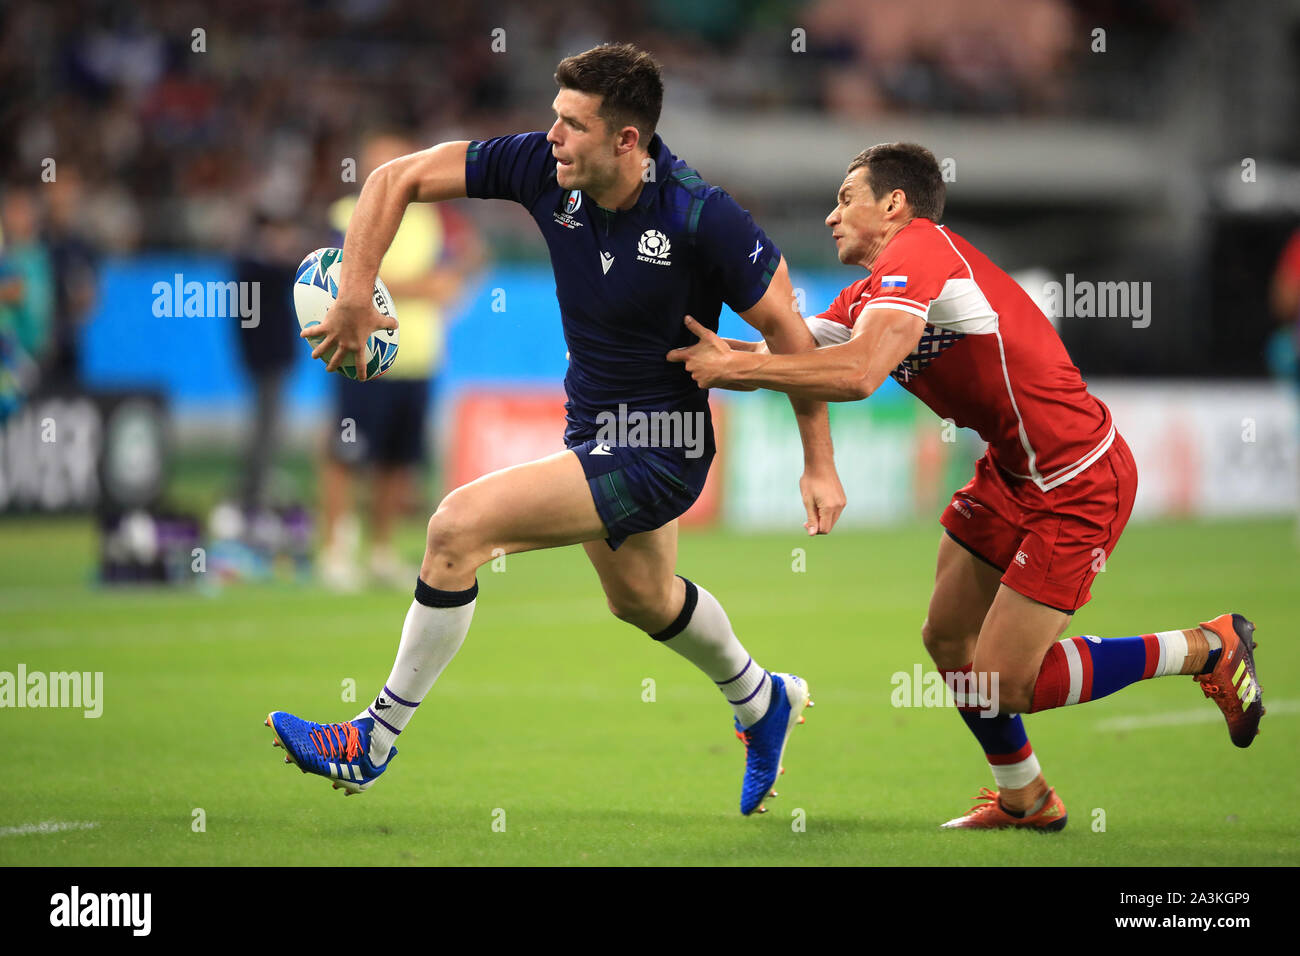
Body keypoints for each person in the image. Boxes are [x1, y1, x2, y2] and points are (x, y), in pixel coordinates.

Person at [266, 44, 845, 815]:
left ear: (626, 141)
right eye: (553, 117)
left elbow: (793, 339)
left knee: (456, 529)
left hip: (662, 450)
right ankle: (762, 700)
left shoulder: (702, 214)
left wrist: (819, 463)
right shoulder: (546, 168)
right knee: (642, 599)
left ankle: (370, 740)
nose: (552, 136)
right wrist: (356, 289)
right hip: (593, 429)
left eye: (571, 124)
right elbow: (393, 178)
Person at [669, 142, 1264, 830]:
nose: (832, 217)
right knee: (949, 642)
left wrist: (735, 374)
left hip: (1075, 475)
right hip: (1013, 472)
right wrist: (706, 354)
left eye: (845, 199)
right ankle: (1026, 798)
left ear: (893, 204)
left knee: (1009, 679)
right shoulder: (873, 290)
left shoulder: (920, 252)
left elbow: (858, 374)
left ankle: (1207, 647)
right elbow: (792, 354)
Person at [319, 130, 486, 590]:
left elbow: (454, 277)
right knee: (345, 454)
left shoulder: (436, 219)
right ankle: (335, 551)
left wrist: (388, 283)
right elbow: (342, 279)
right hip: (360, 355)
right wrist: (417, 286)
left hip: (418, 359)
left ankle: (381, 551)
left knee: (397, 461)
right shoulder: (346, 215)